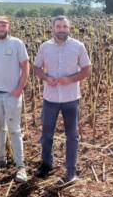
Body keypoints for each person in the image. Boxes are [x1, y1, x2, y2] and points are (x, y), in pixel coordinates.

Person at [34, 15, 92, 185]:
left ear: (69, 28)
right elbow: (37, 67)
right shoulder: (44, 47)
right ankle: (46, 165)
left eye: (64, 27)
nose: (61, 30)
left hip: (71, 98)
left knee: (72, 136)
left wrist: (71, 79)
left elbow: (87, 69)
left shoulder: (78, 46)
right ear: (53, 28)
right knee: (46, 134)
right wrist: (45, 77)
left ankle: (71, 171)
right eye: (58, 26)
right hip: (50, 98)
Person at [0, 15, 30, 183]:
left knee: (14, 129)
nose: (1, 28)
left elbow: (25, 67)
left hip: (11, 94)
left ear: (8, 27)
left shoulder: (17, 43)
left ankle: (20, 166)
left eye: (3, 25)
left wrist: (19, 89)